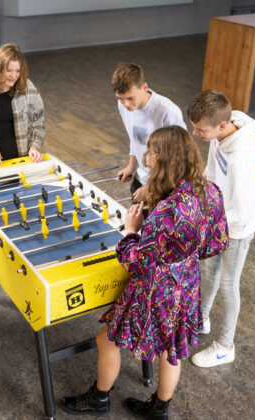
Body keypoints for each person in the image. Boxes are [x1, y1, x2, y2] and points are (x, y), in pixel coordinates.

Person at [59, 126, 229, 419]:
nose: (145, 156)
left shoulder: (166, 213)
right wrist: (181, 256)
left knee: (106, 341)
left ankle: (99, 399)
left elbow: (136, 262)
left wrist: (131, 232)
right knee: (171, 349)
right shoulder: (209, 191)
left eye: (151, 152)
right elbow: (218, 242)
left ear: (164, 159)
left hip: (154, 290)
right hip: (186, 284)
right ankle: (159, 408)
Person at [187, 89, 255, 368]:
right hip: (220, 218)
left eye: (200, 129)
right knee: (209, 271)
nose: (196, 133)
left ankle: (225, 345)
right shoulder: (219, 137)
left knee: (230, 284)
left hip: (238, 226)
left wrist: (206, 221)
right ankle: (201, 318)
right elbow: (211, 174)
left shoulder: (241, 157)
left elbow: (242, 211)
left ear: (221, 124)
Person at [113, 63, 186, 203]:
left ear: (144, 87)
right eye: (121, 99)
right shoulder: (123, 106)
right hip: (141, 179)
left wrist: (152, 188)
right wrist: (131, 165)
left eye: (130, 98)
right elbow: (135, 138)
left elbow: (180, 157)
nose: (126, 104)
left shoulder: (167, 111)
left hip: (166, 186)